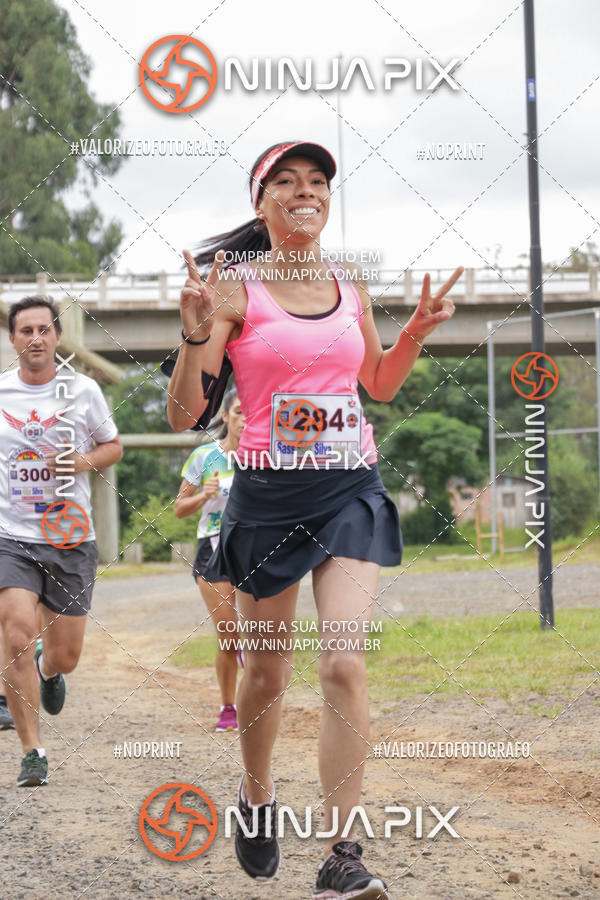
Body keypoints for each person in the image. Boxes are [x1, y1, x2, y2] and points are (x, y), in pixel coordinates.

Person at [167, 141, 463, 900]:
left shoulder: (347, 281)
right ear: (261, 203)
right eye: (287, 183)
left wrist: (417, 334)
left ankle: (341, 852)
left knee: (343, 663)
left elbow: (379, 383)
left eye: (318, 183)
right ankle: (257, 797)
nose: (307, 193)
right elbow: (185, 414)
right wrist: (198, 335)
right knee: (269, 668)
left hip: (349, 489)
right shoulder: (235, 287)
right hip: (267, 496)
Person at [0, 296, 122, 787]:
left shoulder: (83, 390)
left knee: (66, 652)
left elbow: (113, 445)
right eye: (24, 330)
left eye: (43, 330)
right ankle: (32, 750)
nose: (34, 338)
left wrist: (84, 462)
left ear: (55, 337)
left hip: (69, 536)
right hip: (12, 535)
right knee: (14, 634)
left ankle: (50, 671)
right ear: (12, 339)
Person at [174, 388, 245, 732]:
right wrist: (204, 494)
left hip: (255, 548)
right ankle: (228, 707)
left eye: (252, 414)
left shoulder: (266, 457)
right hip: (213, 547)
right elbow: (179, 508)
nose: (245, 420)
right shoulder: (205, 456)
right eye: (239, 412)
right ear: (227, 417)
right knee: (229, 634)